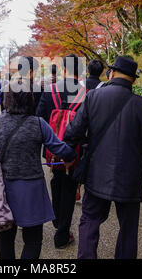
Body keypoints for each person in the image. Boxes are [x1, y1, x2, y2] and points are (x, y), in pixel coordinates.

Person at [63, 56, 142, 259]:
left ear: (112, 73)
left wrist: (71, 153)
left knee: (90, 220)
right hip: (131, 178)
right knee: (128, 228)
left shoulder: (92, 98)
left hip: (96, 173)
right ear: (133, 80)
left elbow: (73, 132)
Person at [0, 79, 77, 259]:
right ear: (30, 99)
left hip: (5, 188)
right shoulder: (38, 123)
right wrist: (73, 155)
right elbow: (60, 148)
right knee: (33, 239)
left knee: (6, 236)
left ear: (8, 99)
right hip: (32, 188)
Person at [36, 54, 84, 249]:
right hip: (75, 152)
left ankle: (57, 221)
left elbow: (39, 119)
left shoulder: (49, 91)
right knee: (70, 187)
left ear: (63, 69)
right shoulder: (85, 94)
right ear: (80, 71)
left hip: (53, 149)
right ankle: (62, 233)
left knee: (56, 182)